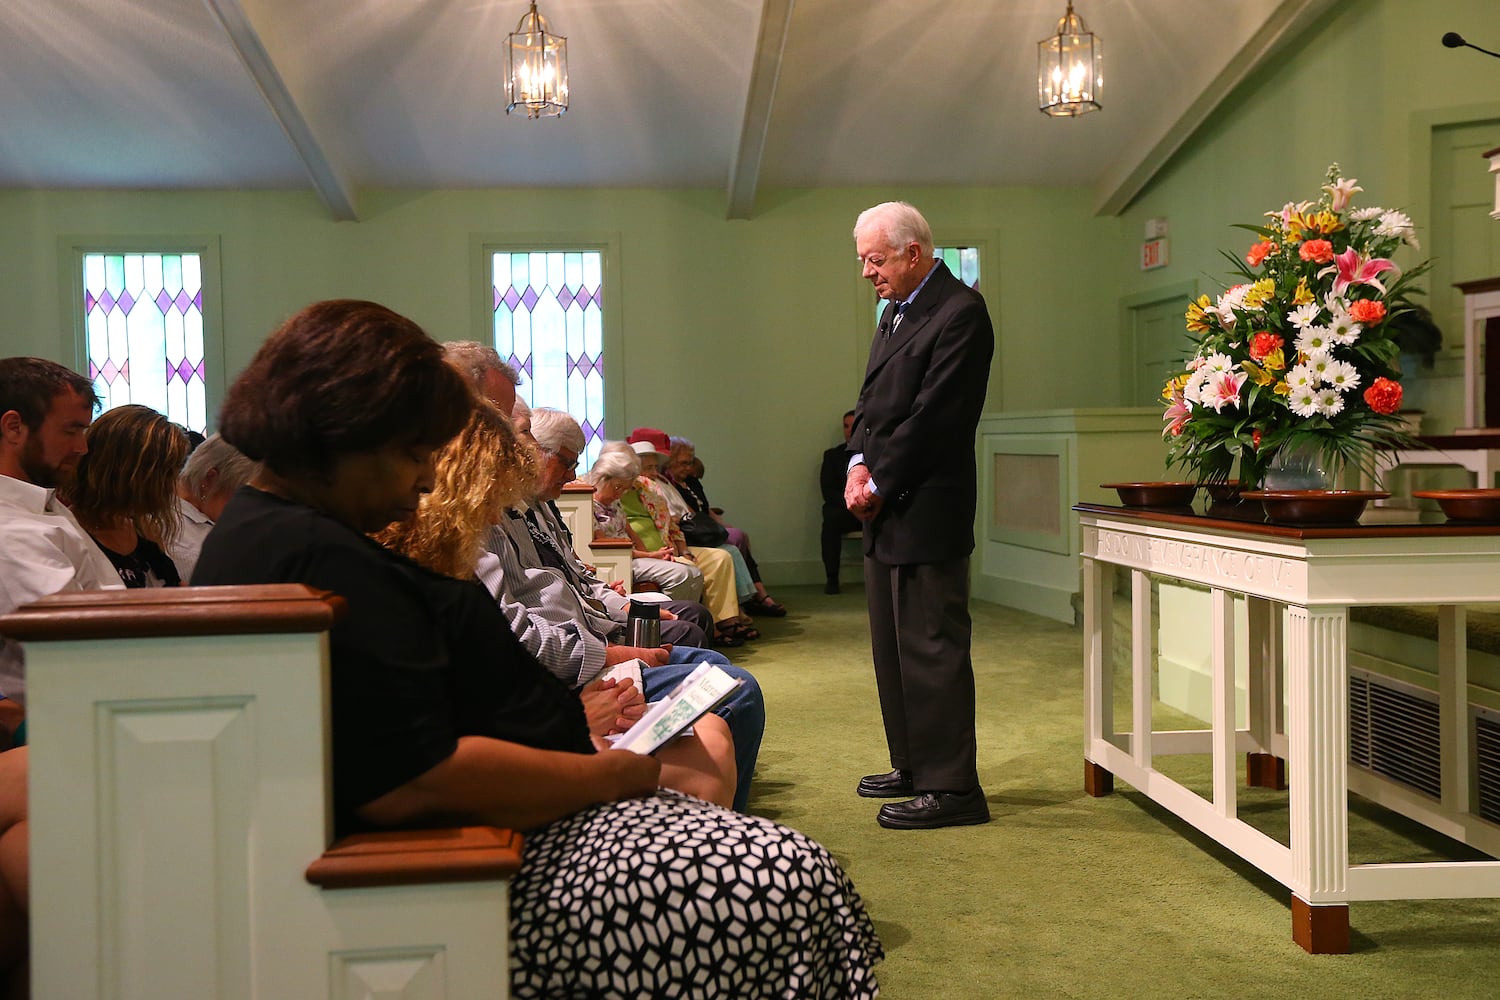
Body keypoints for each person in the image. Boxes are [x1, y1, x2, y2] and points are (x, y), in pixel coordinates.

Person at [193, 299, 882, 997]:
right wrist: (614, 777)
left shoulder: (292, 531)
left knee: (770, 846)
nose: (428, 480)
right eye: (413, 454)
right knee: (787, 881)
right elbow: (414, 779)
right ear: (345, 433)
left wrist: (577, 732)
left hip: (518, 815)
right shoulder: (309, 550)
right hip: (486, 859)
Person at [376, 401, 736, 809]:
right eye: (492, 499)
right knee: (711, 758)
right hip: (501, 785)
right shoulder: (420, 583)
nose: (498, 521)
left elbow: (508, 671)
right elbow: (431, 754)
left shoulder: (454, 569)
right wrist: (582, 729)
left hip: (540, 724)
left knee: (711, 732)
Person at [846, 201, 994, 830]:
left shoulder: (961, 312)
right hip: (883, 506)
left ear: (914, 253)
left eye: (875, 260)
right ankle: (912, 763)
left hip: (925, 505)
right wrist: (856, 462)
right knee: (893, 647)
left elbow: (938, 418)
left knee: (932, 647)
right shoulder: (893, 312)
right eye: (862, 262)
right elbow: (871, 403)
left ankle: (954, 788)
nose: (867, 273)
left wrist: (879, 478)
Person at [0, 358, 123, 708]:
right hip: (68, 712)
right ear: (14, 428)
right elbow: (77, 646)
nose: (82, 448)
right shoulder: (9, 532)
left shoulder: (42, 504)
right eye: (71, 431)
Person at [64, 404, 188, 588]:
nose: (171, 486)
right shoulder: (70, 534)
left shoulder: (143, 528)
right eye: (165, 474)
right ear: (128, 473)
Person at [665, 435, 787, 616]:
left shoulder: (691, 481)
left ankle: (754, 595)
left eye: (690, 463)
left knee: (739, 534)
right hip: (693, 532)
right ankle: (749, 599)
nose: (688, 468)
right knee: (735, 539)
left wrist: (724, 525)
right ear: (670, 461)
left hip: (704, 527)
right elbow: (689, 514)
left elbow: (706, 510)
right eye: (683, 463)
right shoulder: (670, 485)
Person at [168, 433, 258, 582]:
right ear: (210, 479)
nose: (246, 506)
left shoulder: (207, 514)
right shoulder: (169, 526)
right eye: (240, 493)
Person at [821, 410, 863, 594]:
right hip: (846, 512)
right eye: (846, 426)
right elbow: (828, 492)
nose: (849, 430)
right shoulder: (832, 456)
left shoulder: (875, 453)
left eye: (853, 425)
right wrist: (852, 507)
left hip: (871, 509)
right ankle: (832, 577)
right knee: (830, 517)